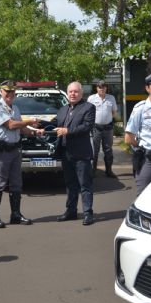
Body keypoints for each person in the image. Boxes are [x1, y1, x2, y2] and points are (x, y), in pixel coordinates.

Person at [41, 81, 96, 226]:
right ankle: (71, 211)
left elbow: (87, 126)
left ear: (81, 93)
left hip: (81, 154)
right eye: (70, 91)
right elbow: (53, 123)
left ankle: (88, 213)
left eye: (76, 91)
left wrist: (67, 131)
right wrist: (39, 126)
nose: (73, 94)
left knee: (85, 185)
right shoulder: (63, 109)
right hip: (66, 153)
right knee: (70, 184)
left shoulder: (89, 107)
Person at [0, 80, 39, 228]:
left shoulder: (15, 107)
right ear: (1, 92)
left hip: (15, 150)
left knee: (16, 184)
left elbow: (21, 129)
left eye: (12, 92)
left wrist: (35, 131)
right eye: (7, 91)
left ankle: (15, 214)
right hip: (2, 150)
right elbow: (11, 125)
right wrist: (30, 120)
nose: (10, 94)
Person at [87, 80, 119, 178]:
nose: (102, 89)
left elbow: (114, 112)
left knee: (108, 150)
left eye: (104, 87)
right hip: (96, 128)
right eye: (100, 87)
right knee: (94, 150)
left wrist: (107, 119)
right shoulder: (91, 98)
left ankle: (109, 171)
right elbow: (88, 112)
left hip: (108, 128)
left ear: (106, 88)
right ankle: (93, 171)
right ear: (97, 88)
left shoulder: (111, 98)